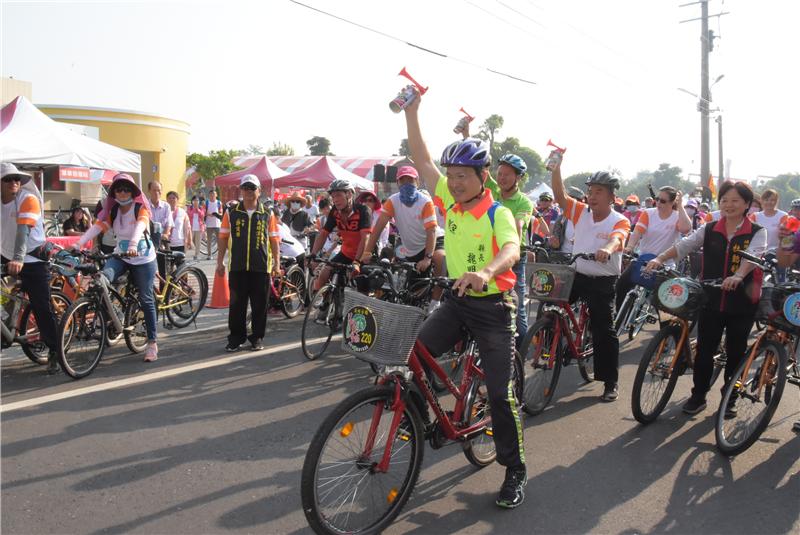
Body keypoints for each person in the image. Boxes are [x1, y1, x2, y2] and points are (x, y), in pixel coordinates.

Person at [404, 87, 527, 509]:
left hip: (494, 309)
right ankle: (423, 419)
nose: (453, 184)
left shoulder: (499, 212)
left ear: (483, 178)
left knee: (499, 394)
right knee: (414, 354)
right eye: (450, 176)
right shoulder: (450, 205)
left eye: (463, 177)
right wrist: (412, 112)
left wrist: (487, 271)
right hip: (457, 301)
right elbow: (420, 159)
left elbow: (512, 250)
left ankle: (514, 470)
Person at [646, 181, 766, 416]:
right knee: (704, 350)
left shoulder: (756, 231)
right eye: (724, 200)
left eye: (734, 201)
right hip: (711, 299)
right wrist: (659, 259)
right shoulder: (710, 228)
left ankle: (729, 398)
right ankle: (698, 395)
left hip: (741, 301)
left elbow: (753, 257)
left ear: (746, 205)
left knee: (735, 352)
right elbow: (684, 245)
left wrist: (738, 275)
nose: (728, 205)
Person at [551, 158, 631, 403]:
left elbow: (618, 238)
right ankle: (551, 341)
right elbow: (560, 196)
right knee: (550, 300)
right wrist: (556, 170)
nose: (592, 196)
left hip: (602, 281)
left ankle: (610, 382)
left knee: (603, 330)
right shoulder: (580, 212)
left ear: (611, 197)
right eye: (590, 191)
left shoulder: (619, 219)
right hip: (577, 275)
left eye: (599, 192)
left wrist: (607, 248)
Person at [75, 173, 160, 362]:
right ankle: (114, 318)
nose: (122, 193)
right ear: (114, 193)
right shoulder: (113, 212)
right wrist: (78, 244)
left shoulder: (140, 208)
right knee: (101, 280)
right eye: (118, 190)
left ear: (132, 192)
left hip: (143, 258)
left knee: (146, 298)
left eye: (126, 189)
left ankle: (152, 343)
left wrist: (133, 244)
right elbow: (97, 227)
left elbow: (141, 225)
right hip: (121, 256)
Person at [1, 163, 60, 374]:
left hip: (33, 259)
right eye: (8, 179)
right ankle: (5, 330)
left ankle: (55, 350)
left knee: (41, 307)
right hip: (7, 256)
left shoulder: (28, 199)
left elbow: (22, 232)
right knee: (7, 299)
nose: (14, 182)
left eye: (17, 179)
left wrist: (18, 258)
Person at [360, 165, 446, 310]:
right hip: (411, 248)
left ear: (417, 182)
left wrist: (428, 257)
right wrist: (367, 252)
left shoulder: (425, 201)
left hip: (432, 242)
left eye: (410, 180)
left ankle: (435, 302)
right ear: (397, 183)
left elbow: (431, 231)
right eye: (402, 180)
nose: (406, 184)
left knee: (440, 258)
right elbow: (378, 228)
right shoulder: (392, 201)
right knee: (410, 293)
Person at [216, 174, 280, 352]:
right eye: (245, 188)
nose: (249, 192)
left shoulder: (267, 213)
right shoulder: (232, 212)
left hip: (261, 268)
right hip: (237, 267)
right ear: (241, 190)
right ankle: (236, 338)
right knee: (236, 306)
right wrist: (220, 262)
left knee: (260, 305)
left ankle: (257, 337)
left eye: (252, 188)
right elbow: (222, 237)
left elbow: (274, 239)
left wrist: (276, 263)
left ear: (259, 191)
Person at [617, 186, 691, 310]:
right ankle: (618, 319)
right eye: (657, 199)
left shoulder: (677, 216)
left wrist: (681, 206)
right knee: (620, 285)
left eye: (663, 201)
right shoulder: (648, 213)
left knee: (665, 306)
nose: (658, 203)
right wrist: (629, 247)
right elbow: (637, 232)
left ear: (672, 202)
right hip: (643, 261)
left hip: (664, 266)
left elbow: (686, 229)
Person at [493, 154, 536, 348]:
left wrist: (512, 252)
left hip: (515, 258)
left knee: (516, 310)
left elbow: (519, 225)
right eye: (500, 173)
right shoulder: (492, 192)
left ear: (518, 178)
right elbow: (477, 171)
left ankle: (519, 354)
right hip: (491, 254)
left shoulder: (524, 202)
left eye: (507, 175)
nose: (502, 178)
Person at [308, 180, 371, 291]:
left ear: (349, 194)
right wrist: (313, 254)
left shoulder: (363, 211)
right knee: (324, 273)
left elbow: (365, 238)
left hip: (363, 255)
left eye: (338, 195)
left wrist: (357, 262)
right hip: (346, 253)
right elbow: (323, 234)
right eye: (333, 197)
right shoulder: (335, 211)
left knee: (361, 289)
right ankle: (322, 304)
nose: (335, 200)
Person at [147, 181, 174, 281]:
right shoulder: (145, 205)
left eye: (159, 191)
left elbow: (169, 223)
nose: (157, 193)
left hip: (162, 240)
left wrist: (166, 234)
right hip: (148, 240)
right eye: (154, 190)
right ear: (149, 191)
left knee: (164, 270)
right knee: (148, 268)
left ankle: (165, 292)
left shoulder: (166, 206)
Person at [356, 190, 390, 255]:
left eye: (370, 200)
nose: (366, 202)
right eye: (364, 200)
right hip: (358, 249)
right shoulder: (358, 215)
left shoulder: (381, 217)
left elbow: (384, 239)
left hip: (376, 251)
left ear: (375, 203)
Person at [166, 191, 192, 264]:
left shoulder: (182, 212)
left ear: (177, 199)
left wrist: (189, 240)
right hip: (167, 244)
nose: (171, 200)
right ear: (167, 199)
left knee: (180, 267)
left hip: (179, 243)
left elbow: (188, 227)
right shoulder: (164, 211)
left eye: (173, 198)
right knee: (168, 267)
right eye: (169, 198)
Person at [204, 189, 223, 260]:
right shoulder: (206, 203)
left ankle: (220, 255)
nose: (212, 196)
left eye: (214, 194)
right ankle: (209, 255)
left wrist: (217, 214)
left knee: (219, 241)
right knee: (209, 241)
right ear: (209, 195)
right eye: (211, 195)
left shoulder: (219, 203)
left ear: (216, 195)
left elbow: (221, 213)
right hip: (209, 224)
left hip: (217, 224)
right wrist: (208, 214)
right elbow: (203, 212)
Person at [187, 196, 205, 260]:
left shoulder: (201, 208)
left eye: (197, 200)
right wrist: (194, 209)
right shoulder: (190, 208)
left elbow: (202, 215)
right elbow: (189, 215)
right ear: (192, 201)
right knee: (192, 241)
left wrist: (198, 210)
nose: (196, 202)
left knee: (198, 242)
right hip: (191, 227)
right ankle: (195, 251)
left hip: (199, 227)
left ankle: (196, 255)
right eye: (194, 201)